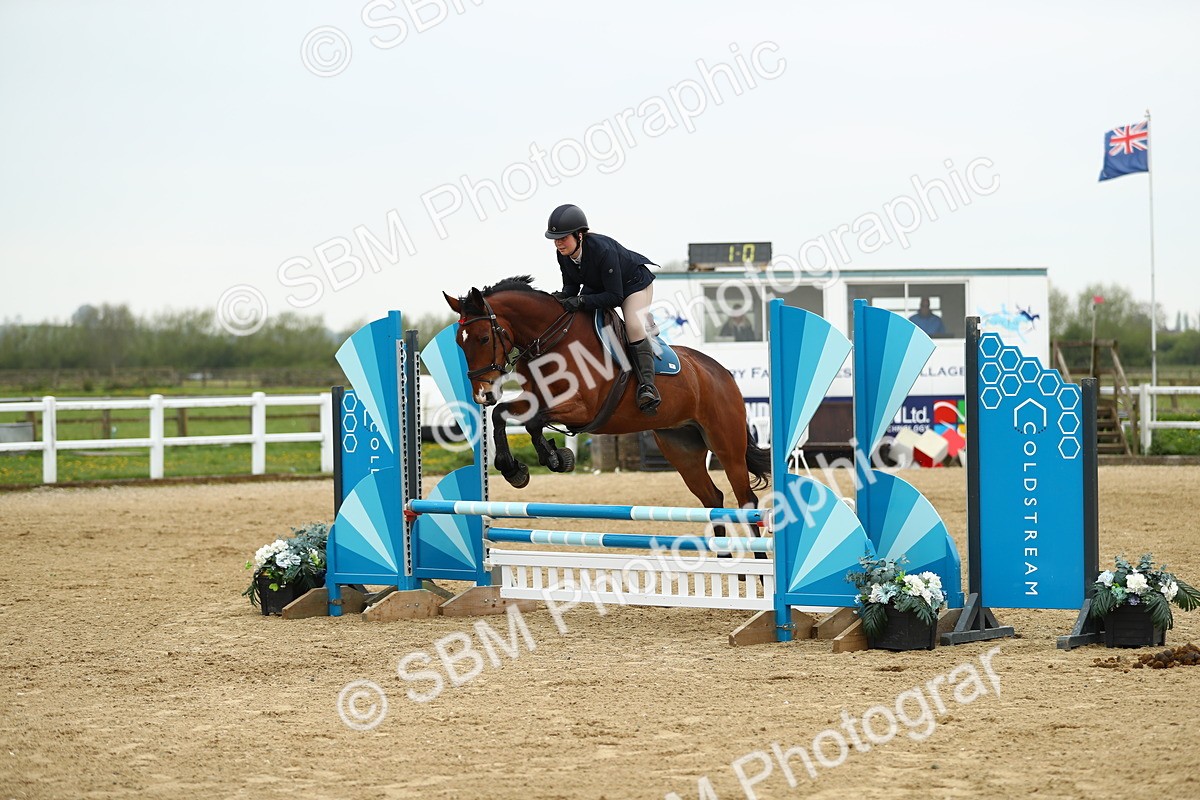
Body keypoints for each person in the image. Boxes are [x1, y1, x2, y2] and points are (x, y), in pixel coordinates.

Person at [545, 204, 660, 414]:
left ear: (579, 235)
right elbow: (571, 287)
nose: (558, 243)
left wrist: (580, 302)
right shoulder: (563, 254)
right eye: (555, 238)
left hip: (633, 286)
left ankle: (647, 387)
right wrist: (556, 301)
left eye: (563, 237)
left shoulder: (602, 250)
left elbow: (615, 296)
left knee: (633, 326)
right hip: (601, 285)